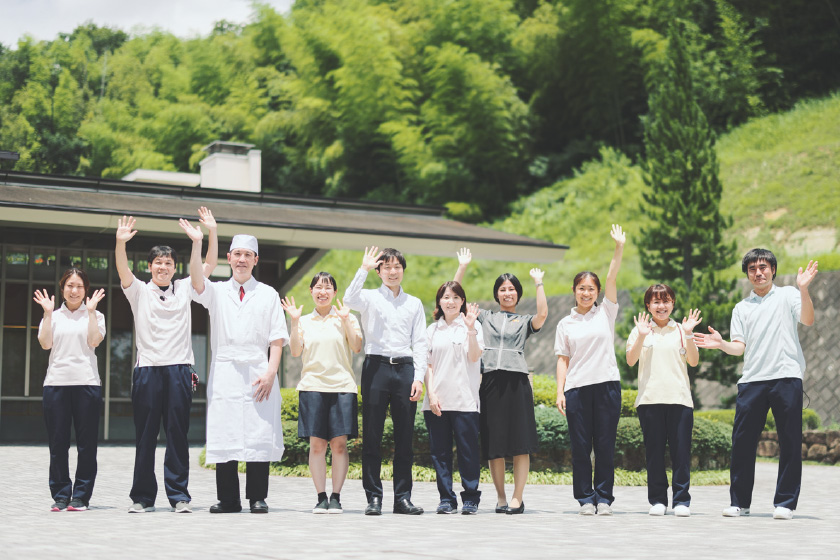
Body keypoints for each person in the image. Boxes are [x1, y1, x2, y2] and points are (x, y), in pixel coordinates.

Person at [695, 249, 818, 520]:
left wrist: (804, 289)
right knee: (742, 442)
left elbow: (807, 319)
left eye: (763, 267)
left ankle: (785, 503)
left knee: (789, 441)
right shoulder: (742, 308)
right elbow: (739, 348)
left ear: (773, 269)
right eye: (752, 269)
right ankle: (740, 502)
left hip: (786, 377)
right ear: (747, 274)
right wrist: (721, 344)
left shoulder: (788, 295)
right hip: (752, 381)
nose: (758, 272)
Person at [116, 208, 218, 514]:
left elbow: (208, 265)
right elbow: (122, 271)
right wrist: (120, 243)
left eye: (168, 263)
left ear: (175, 268)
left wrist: (207, 236)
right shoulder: (138, 291)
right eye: (158, 263)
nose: (163, 267)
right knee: (145, 436)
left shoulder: (185, 288)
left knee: (177, 434)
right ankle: (142, 498)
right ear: (149, 267)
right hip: (147, 370)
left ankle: (179, 496)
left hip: (178, 370)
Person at [190, 232, 288, 514]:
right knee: (226, 432)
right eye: (237, 254)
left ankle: (257, 497)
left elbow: (277, 339)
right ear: (229, 259)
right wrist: (200, 241)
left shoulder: (268, 293)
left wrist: (271, 372)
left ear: (255, 260)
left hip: (259, 369)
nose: (242, 260)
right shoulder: (217, 291)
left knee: (259, 431)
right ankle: (228, 499)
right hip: (225, 370)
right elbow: (197, 280)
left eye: (248, 255)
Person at [454, 249, 548, 515]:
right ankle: (501, 497)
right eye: (503, 289)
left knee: (521, 443)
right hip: (491, 383)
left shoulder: (524, 320)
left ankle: (518, 498)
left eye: (512, 289)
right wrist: (462, 267)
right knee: (494, 444)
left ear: (518, 294)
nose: (508, 293)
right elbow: (456, 300)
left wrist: (539, 283)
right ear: (497, 294)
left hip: (517, 383)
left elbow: (543, 315)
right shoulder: (486, 317)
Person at [343, 246, 427, 516]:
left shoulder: (413, 303)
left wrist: (419, 378)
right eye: (387, 267)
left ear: (403, 270)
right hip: (376, 367)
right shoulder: (368, 297)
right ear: (379, 272)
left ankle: (402, 498)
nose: (392, 272)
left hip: (405, 369)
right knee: (372, 436)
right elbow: (348, 298)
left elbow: (421, 344)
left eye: (397, 267)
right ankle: (374, 497)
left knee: (404, 438)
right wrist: (363, 269)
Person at [554, 224, 625, 516]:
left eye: (591, 289)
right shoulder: (565, 324)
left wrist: (618, 246)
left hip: (607, 386)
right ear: (574, 291)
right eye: (581, 288)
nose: (586, 292)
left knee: (605, 446)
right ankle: (585, 498)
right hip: (577, 389)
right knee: (581, 447)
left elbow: (611, 276)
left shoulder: (606, 312)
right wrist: (560, 391)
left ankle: (604, 498)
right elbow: (563, 360)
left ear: (598, 292)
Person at [281, 272, 363, 514]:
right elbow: (295, 351)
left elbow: (357, 346)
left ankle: (336, 496)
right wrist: (294, 321)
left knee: (339, 445)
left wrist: (346, 320)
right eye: (318, 287)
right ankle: (320, 497)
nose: (323, 291)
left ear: (335, 293)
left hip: (342, 387)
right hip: (312, 386)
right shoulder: (304, 320)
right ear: (311, 291)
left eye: (328, 287)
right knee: (317, 446)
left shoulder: (347, 317)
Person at [625, 284, 701, 517]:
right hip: (649, 400)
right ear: (648, 305)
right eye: (656, 302)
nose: (661, 306)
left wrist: (688, 334)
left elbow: (694, 361)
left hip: (679, 400)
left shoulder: (680, 329)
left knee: (681, 453)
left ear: (673, 304)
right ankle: (657, 500)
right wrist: (641, 336)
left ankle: (681, 501)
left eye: (666, 301)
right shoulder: (640, 330)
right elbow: (630, 360)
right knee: (654, 453)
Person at [35, 269, 105, 512]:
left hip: (87, 384)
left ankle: (81, 497)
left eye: (79, 286)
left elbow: (94, 341)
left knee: (87, 445)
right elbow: (45, 344)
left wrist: (92, 312)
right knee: (58, 444)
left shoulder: (96, 315)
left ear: (85, 290)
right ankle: (61, 496)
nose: (74, 291)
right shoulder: (52, 316)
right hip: (56, 385)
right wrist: (45, 313)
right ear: (62, 288)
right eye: (70, 286)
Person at [423, 281, 484, 515]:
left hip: (465, 401)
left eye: (456, 297)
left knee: (468, 452)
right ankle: (446, 498)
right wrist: (431, 394)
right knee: (440, 453)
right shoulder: (431, 330)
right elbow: (427, 365)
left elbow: (474, 356)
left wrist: (470, 329)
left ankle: (470, 498)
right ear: (439, 301)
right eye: (446, 297)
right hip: (437, 401)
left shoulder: (473, 324)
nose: (451, 301)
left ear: (463, 301)